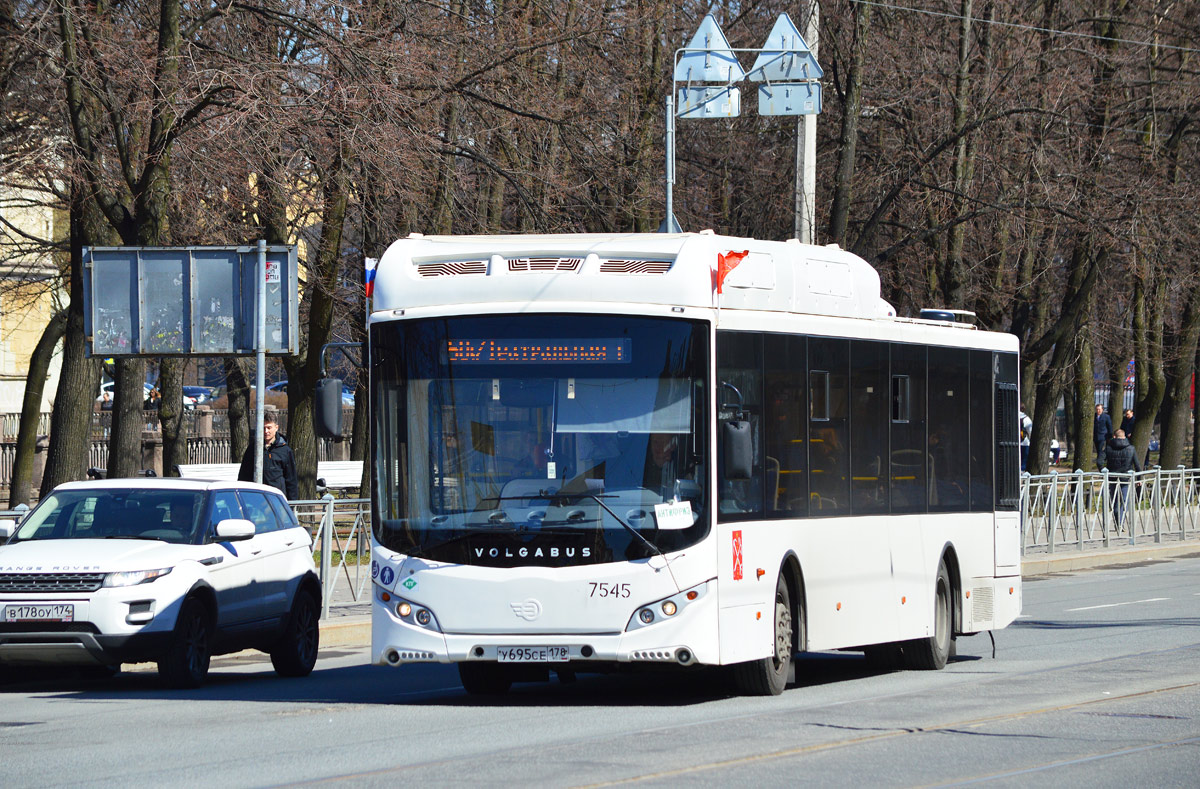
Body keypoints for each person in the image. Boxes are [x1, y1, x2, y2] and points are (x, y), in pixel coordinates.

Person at [238, 407, 298, 499]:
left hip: (277, 500)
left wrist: (291, 504)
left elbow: (291, 480)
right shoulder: (252, 449)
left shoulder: (285, 450)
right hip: (256, 499)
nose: (266, 431)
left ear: (276, 428)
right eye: (263, 428)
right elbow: (243, 476)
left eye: (269, 428)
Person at [1103, 429, 1141, 530]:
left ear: (1114, 436)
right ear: (1125, 437)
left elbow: (1099, 461)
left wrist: (1103, 471)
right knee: (1125, 500)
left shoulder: (1108, 448)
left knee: (1115, 500)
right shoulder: (1131, 448)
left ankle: (1117, 522)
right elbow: (1137, 465)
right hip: (1126, 477)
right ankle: (1120, 522)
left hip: (1112, 477)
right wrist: (1139, 479)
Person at [1093, 404, 1113, 469]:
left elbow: (1109, 426)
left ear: (1102, 409)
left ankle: (1101, 465)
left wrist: (1110, 436)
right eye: (1097, 409)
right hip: (1096, 437)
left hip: (1103, 437)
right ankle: (1100, 465)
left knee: (1101, 451)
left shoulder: (1106, 417)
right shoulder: (1094, 416)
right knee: (1098, 451)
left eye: (1099, 409)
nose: (1098, 410)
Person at [1018, 406, 1033, 471]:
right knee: (1023, 462)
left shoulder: (1009, 416)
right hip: (1024, 443)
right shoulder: (1026, 418)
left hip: (1012, 444)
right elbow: (1030, 432)